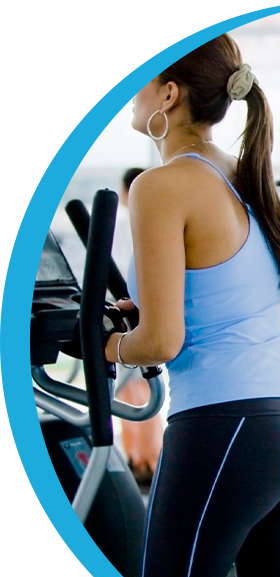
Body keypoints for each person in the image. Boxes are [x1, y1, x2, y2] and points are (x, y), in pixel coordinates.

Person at [103, 20, 280, 577]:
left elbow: (160, 342)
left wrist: (100, 341)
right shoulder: (250, 176)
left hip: (225, 431)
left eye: (139, 79)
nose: (130, 92)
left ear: (170, 93)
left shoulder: (161, 186)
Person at [113, 166, 164, 486]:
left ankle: (144, 459)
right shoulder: (147, 226)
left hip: (129, 319)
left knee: (135, 392)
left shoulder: (130, 226)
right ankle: (144, 458)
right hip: (134, 315)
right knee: (138, 390)